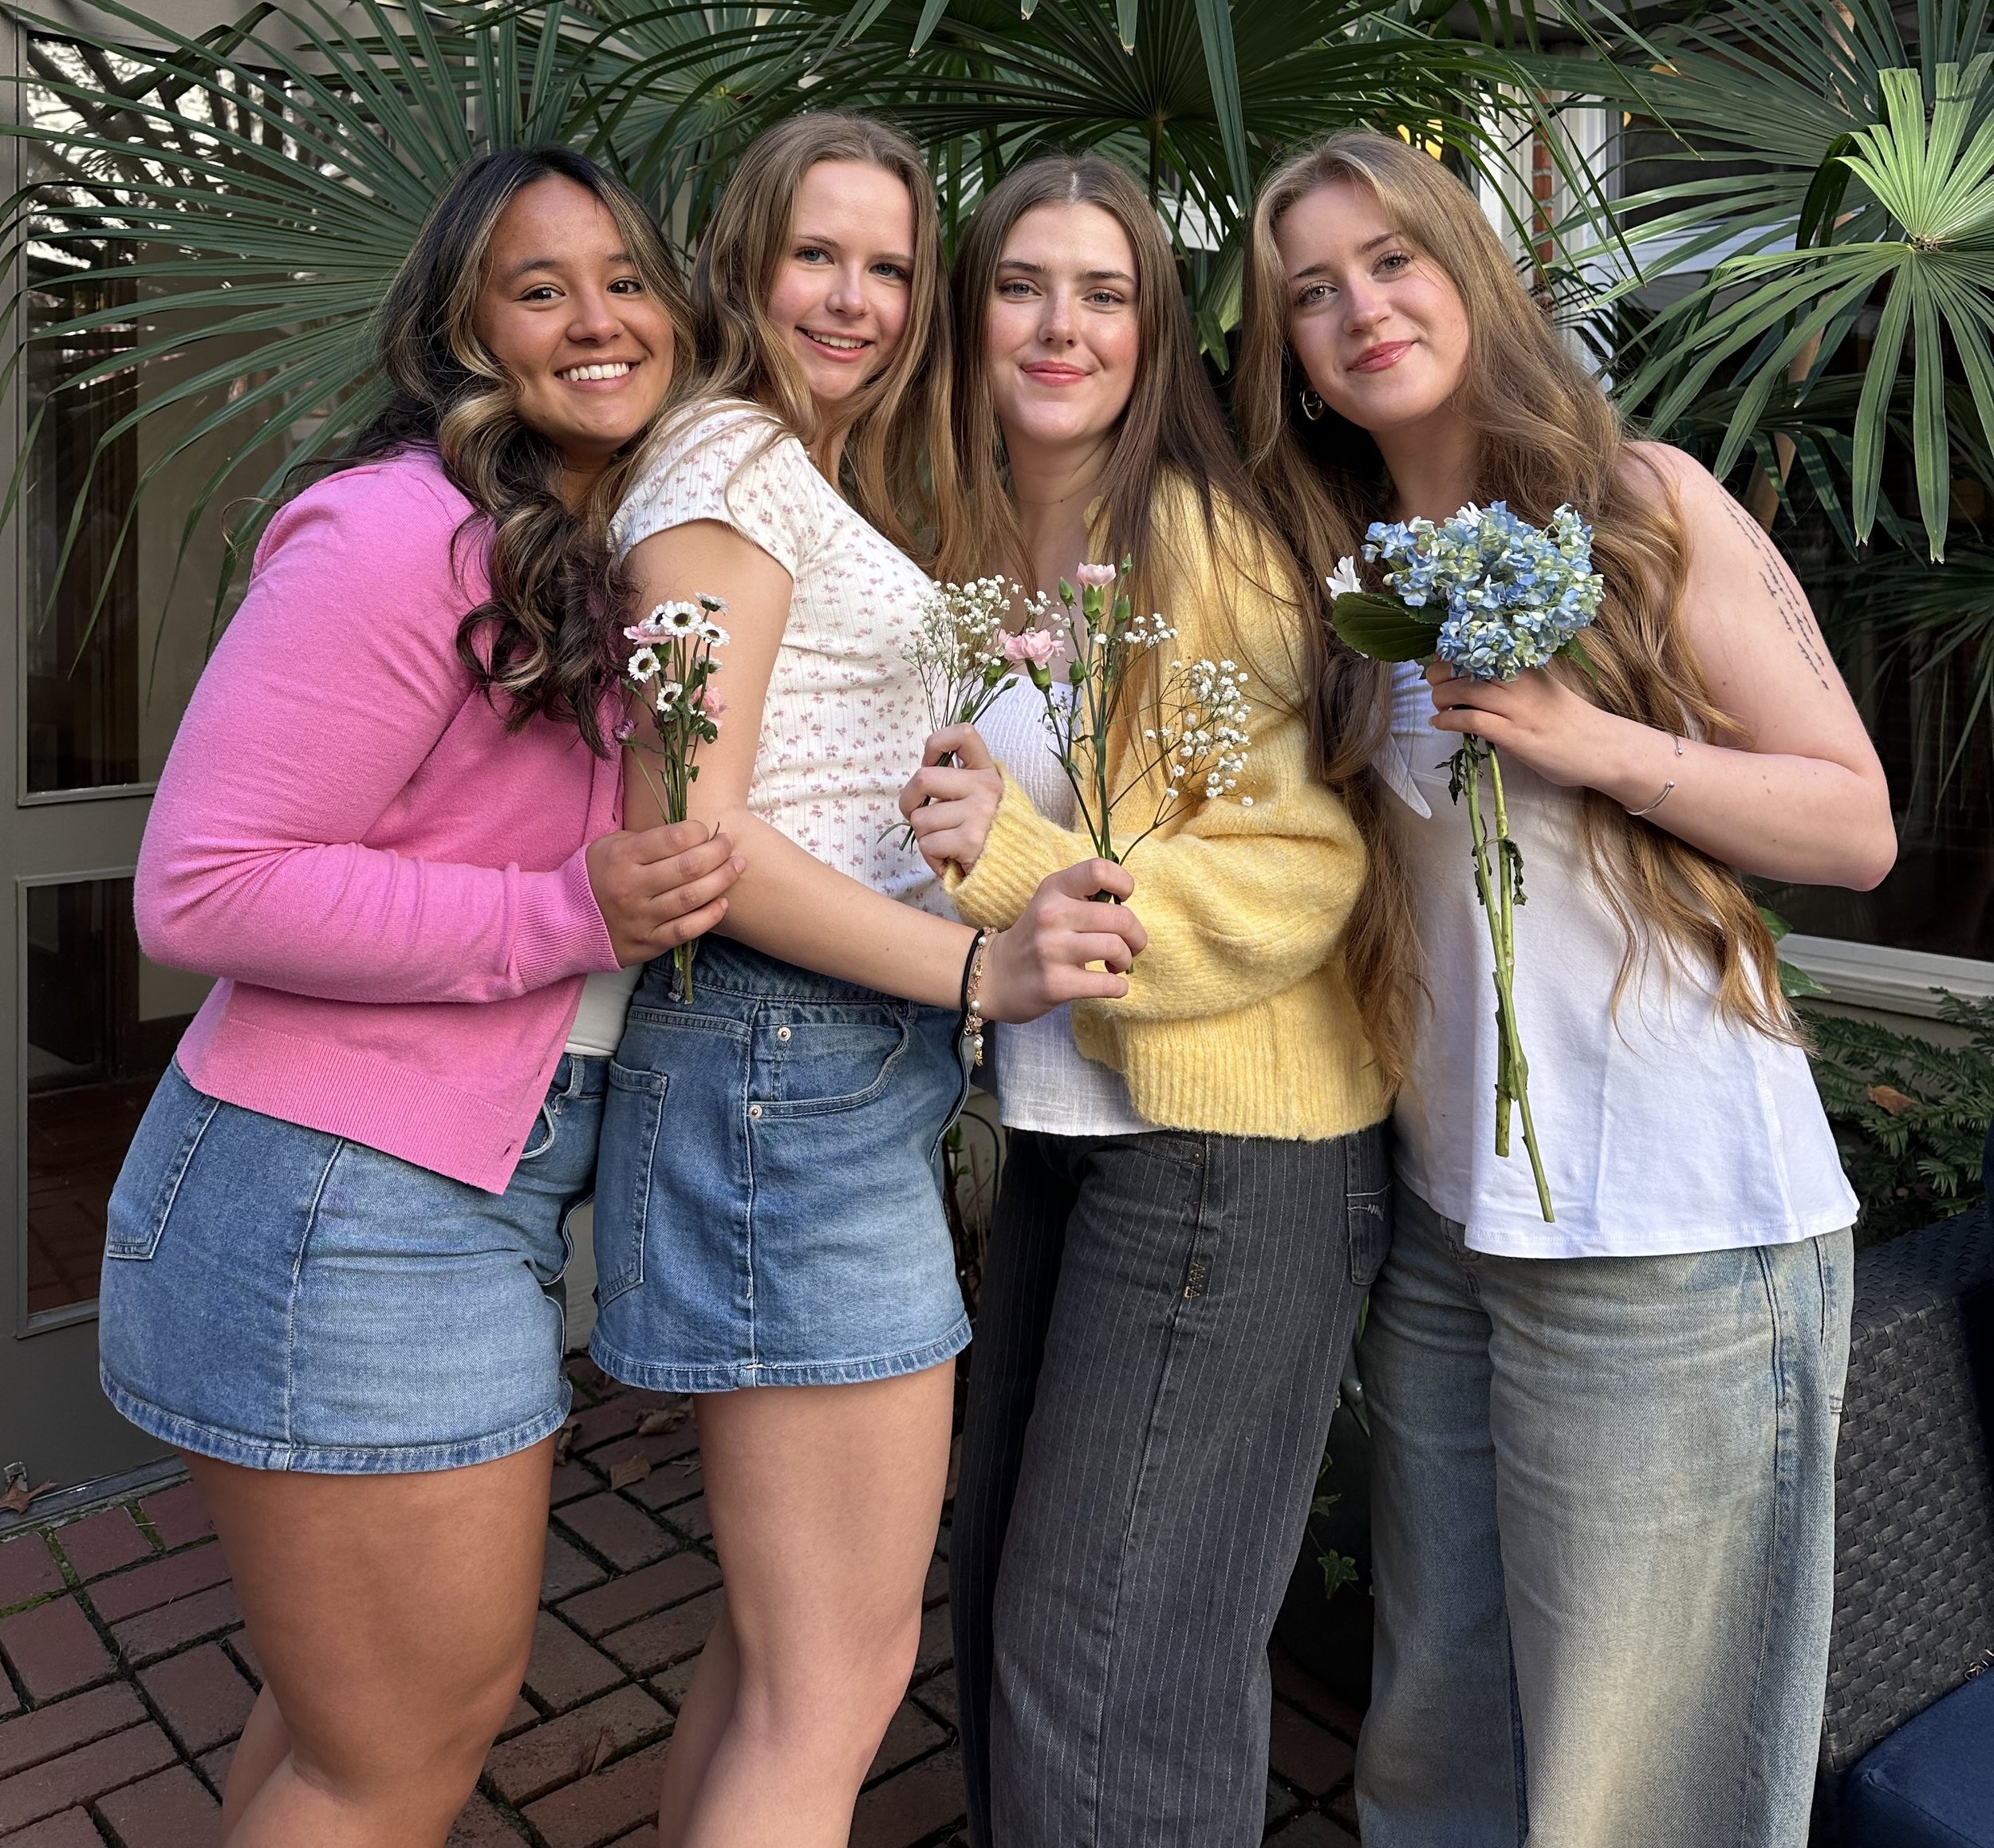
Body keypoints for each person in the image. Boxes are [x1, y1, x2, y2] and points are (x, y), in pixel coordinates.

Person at [1235, 128, 1897, 1848]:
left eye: (1389, 258)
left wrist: (1593, 740)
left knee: (1639, 1787)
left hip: (1670, 1233)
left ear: (1468, 260)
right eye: (1309, 289)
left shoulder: (1643, 500)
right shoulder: (1345, 576)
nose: (1358, 306)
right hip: (1454, 1229)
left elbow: (1854, 819)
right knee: (1434, 1743)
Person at [98, 147, 740, 1848]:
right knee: (396, 1752)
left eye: (624, 277)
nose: (597, 318)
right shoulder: (403, 532)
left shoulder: (595, 548)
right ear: (463, 333)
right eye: (539, 289)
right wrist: (556, 908)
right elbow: (205, 881)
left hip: (438, 1186)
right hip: (338, 1194)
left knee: (349, 1735)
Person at [589, 111, 1144, 1848]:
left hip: (811, 1072)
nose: (854, 295)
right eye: (814, 252)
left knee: (781, 1661)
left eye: (891, 263)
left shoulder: (780, 470)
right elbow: (689, 831)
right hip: (786, 1067)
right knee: (835, 1672)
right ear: (741, 255)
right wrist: (973, 963)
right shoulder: (728, 476)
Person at [898, 152, 1391, 1848]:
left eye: (1103, 291)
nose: (1059, 323)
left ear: (1154, 326)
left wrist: (1014, 863)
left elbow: (1296, 865)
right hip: (1070, 1132)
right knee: (1022, 1625)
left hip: (1226, 1146)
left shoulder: (1187, 538)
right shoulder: (968, 545)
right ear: (968, 315)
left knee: (1109, 1669)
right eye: (1021, 283)